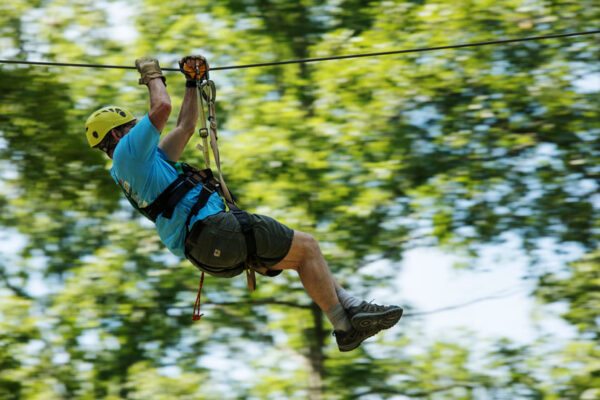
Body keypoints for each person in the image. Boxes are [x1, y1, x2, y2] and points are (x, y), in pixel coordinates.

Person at [85, 56, 403, 352]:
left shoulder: (144, 164)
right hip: (212, 231)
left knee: (301, 257)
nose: (137, 129)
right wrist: (152, 74)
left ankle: (350, 315)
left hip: (207, 249)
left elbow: (184, 127)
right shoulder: (127, 152)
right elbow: (162, 108)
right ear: (116, 135)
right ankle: (346, 322)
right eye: (130, 126)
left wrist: (191, 83)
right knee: (307, 246)